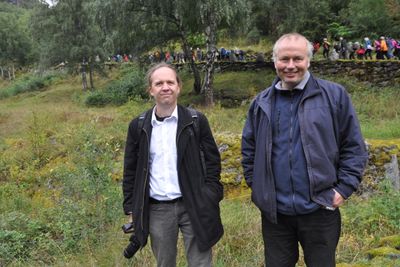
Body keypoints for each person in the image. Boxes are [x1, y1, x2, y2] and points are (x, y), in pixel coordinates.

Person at [241, 33, 368, 267]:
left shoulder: (334, 96)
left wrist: (344, 187)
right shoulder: (261, 102)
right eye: (284, 59)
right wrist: (259, 188)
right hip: (276, 215)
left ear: (309, 60)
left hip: (320, 210)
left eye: (297, 59)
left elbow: (354, 146)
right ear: (275, 61)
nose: (290, 66)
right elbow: (249, 150)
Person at [122, 63, 223, 267]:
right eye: (159, 83)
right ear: (151, 90)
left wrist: (210, 194)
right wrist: (131, 208)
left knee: (201, 263)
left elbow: (213, 161)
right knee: (164, 263)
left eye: (170, 82)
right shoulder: (139, 126)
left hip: (194, 203)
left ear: (178, 87)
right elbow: (131, 170)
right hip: (158, 209)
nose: (165, 87)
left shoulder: (196, 121)